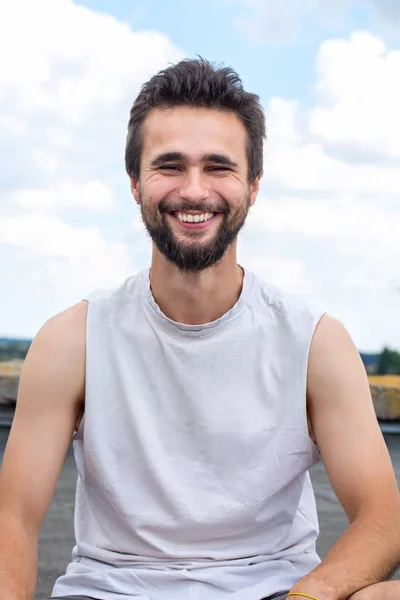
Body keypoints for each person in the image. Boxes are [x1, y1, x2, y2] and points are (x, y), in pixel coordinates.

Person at [0, 58, 399, 600]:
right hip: (110, 591)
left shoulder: (313, 341)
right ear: (135, 183)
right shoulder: (74, 339)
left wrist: (310, 596)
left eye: (218, 167)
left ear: (252, 185)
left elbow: (382, 519)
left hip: (275, 592)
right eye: (169, 166)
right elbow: (14, 520)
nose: (194, 190)